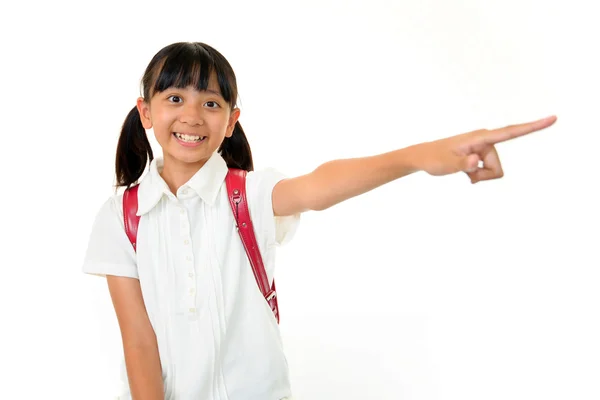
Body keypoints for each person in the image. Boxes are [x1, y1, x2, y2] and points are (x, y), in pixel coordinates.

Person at [82, 41, 557, 400]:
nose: (192, 115)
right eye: (174, 98)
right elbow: (138, 340)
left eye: (210, 103)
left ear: (231, 121)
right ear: (146, 111)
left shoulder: (248, 194)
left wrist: (421, 156)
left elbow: (321, 184)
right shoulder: (121, 216)